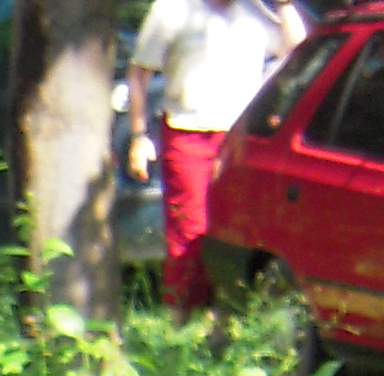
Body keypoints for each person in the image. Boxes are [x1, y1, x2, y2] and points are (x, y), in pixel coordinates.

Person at [129, 0, 311, 313]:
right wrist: (138, 137)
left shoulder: (253, 11)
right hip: (188, 133)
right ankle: (183, 317)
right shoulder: (171, 10)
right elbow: (138, 75)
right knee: (190, 229)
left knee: (238, 228)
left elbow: (299, 52)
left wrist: (284, 5)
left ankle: (227, 315)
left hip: (240, 140)